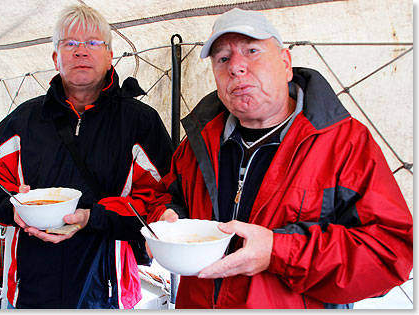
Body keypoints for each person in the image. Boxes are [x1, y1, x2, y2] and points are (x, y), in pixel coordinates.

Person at [146, 8, 413, 309]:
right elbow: (169, 198)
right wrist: (168, 219)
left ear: (286, 63)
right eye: (222, 59)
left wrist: (279, 250)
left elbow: (390, 254)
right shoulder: (198, 140)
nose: (236, 67)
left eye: (252, 50)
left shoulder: (345, 144)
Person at [0, 4, 174, 309]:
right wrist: (11, 206)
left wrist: (93, 217)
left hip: (107, 290)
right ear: (56, 58)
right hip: (28, 289)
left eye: (93, 43)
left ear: (109, 56)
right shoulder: (24, 121)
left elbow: (160, 200)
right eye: (70, 43)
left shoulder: (139, 122)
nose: (82, 51)